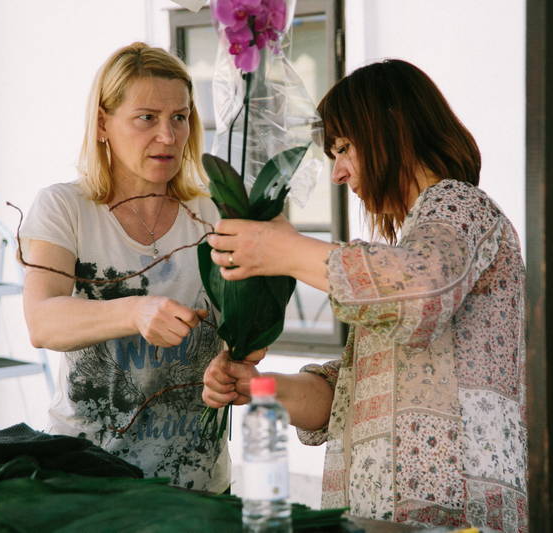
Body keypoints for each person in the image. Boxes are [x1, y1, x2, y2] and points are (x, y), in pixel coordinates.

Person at [202, 59, 528, 530]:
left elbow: (419, 292)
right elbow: (342, 400)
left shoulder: (462, 206)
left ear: (392, 129)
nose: (338, 173)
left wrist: (284, 251)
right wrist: (256, 387)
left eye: (344, 148)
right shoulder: (410, 251)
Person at [21, 42, 234, 491]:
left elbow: (245, 325)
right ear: (103, 123)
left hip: (200, 486)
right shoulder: (65, 207)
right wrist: (135, 311)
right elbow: (42, 321)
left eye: (180, 117)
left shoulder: (215, 211)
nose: (168, 136)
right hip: (89, 480)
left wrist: (241, 358)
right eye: (147, 118)